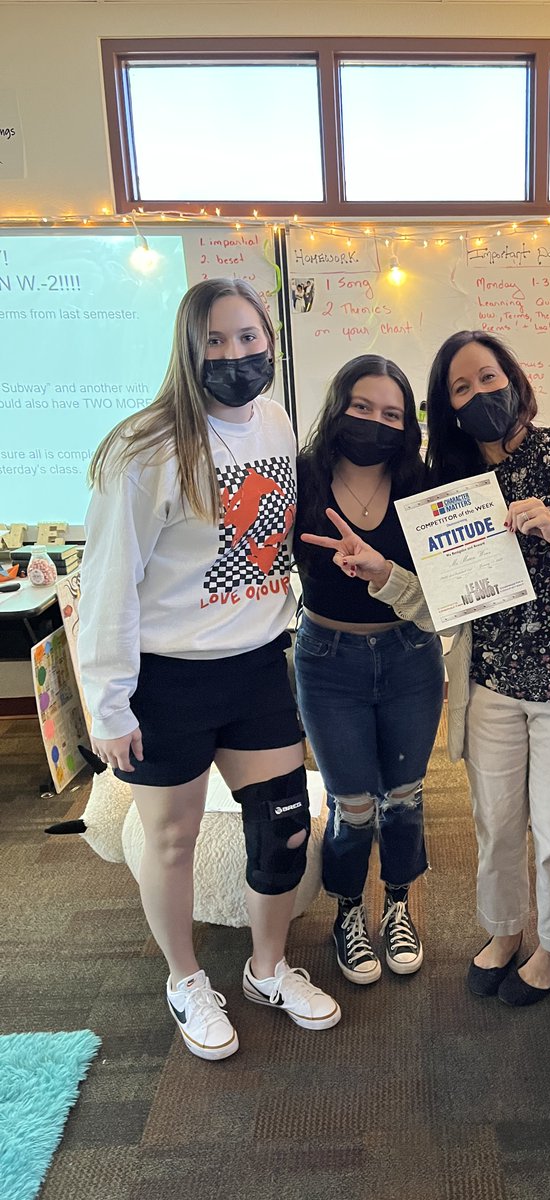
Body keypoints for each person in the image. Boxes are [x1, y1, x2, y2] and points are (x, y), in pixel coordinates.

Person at [305, 331, 550, 1005]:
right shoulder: (454, 487)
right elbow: (439, 607)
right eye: (461, 389)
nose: (481, 395)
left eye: (488, 377)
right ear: (447, 409)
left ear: (514, 377)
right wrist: (384, 576)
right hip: (488, 686)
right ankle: (504, 932)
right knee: (494, 824)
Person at [79, 278, 340, 1062]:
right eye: (216, 343)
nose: (236, 356)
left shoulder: (275, 423)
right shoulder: (144, 449)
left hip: (258, 664)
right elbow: (107, 581)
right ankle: (186, 978)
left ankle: (267, 967)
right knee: (171, 840)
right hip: (168, 677)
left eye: (249, 340)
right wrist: (109, 704)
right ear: (190, 351)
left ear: (271, 343)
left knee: (285, 828)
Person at [295, 355, 444, 985]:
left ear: (409, 424)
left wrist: (384, 573)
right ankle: (350, 910)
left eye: (392, 414)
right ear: (339, 407)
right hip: (327, 662)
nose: (377, 423)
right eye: (363, 408)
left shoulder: (424, 483)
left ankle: (400, 904)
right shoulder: (301, 476)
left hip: (410, 654)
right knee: (352, 802)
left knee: (404, 797)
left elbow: (445, 597)